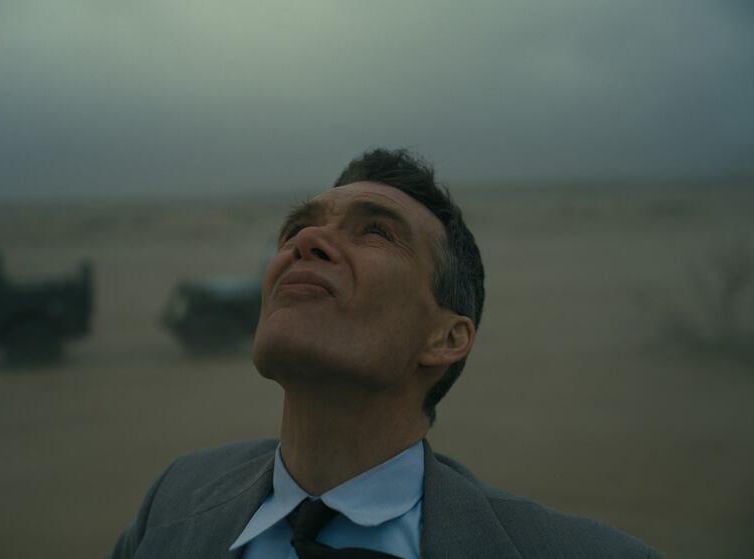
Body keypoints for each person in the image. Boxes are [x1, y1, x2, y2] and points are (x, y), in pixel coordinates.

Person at [110, 148, 661, 558]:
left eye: (375, 231)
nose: (305, 242)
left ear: (447, 338)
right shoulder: (172, 501)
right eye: (298, 228)